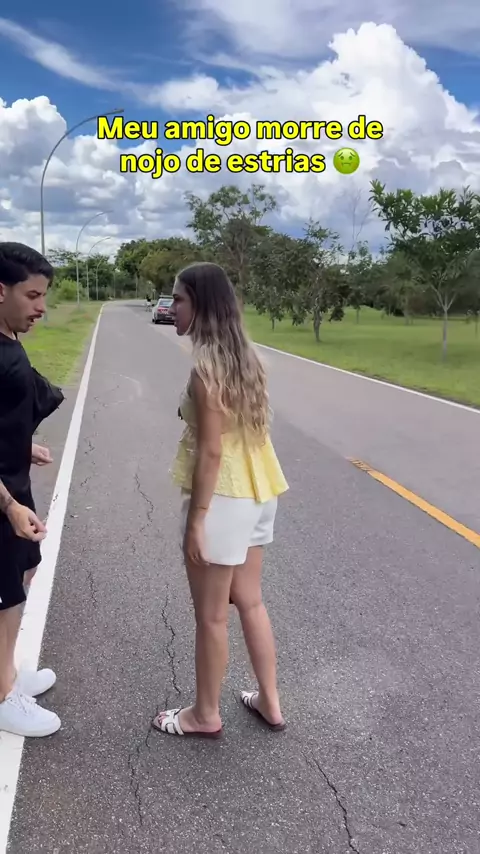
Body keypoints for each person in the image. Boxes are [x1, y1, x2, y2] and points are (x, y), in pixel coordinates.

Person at [152, 261, 288, 739]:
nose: (172, 308)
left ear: (202, 305)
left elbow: (211, 452)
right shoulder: (249, 359)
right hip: (258, 492)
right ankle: (270, 701)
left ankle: (204, 714)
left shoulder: (205, 370)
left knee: (211, 615)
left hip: (224, 499)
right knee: (250, 600)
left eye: (179, 299)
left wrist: (196, 520)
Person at [0, 242, 63, 737]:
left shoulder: (9, 342)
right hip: (4, 499)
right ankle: (2, 696)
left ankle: (9, 671)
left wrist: (25, 446)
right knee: (4, 596)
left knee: (23, 575)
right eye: (33, 295)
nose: (41, 307)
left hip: (14, 484)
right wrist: (9, 505)